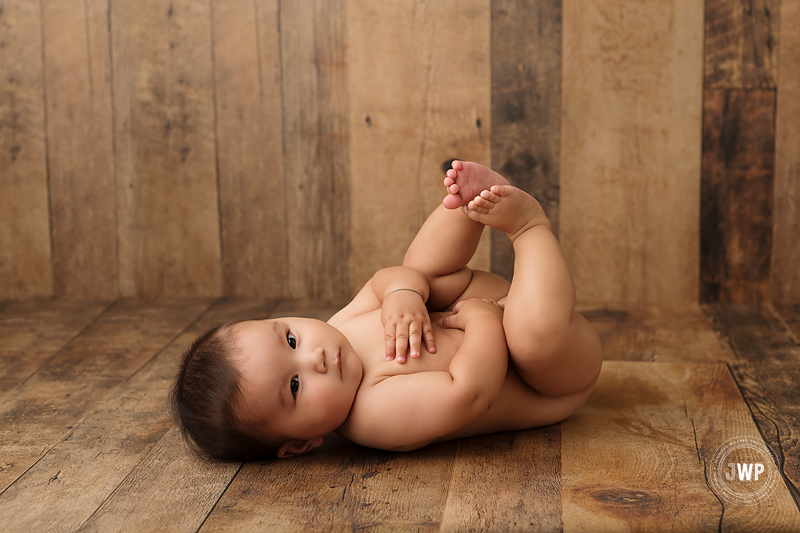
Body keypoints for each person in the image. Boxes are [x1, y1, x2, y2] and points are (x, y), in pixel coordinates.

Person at [171, 161, 603, 460]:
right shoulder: (373, 416)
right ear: (301, 444)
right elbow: (469, 392)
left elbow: (384, 279)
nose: (313, 356)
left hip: (484, 307)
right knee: (531, 337)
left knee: (418, 272)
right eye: (296, 385)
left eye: (290, 340)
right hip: (548, 375)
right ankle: (529, 228)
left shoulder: (337, 328)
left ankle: (471, 206)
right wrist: (484, 319)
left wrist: (401, 294)